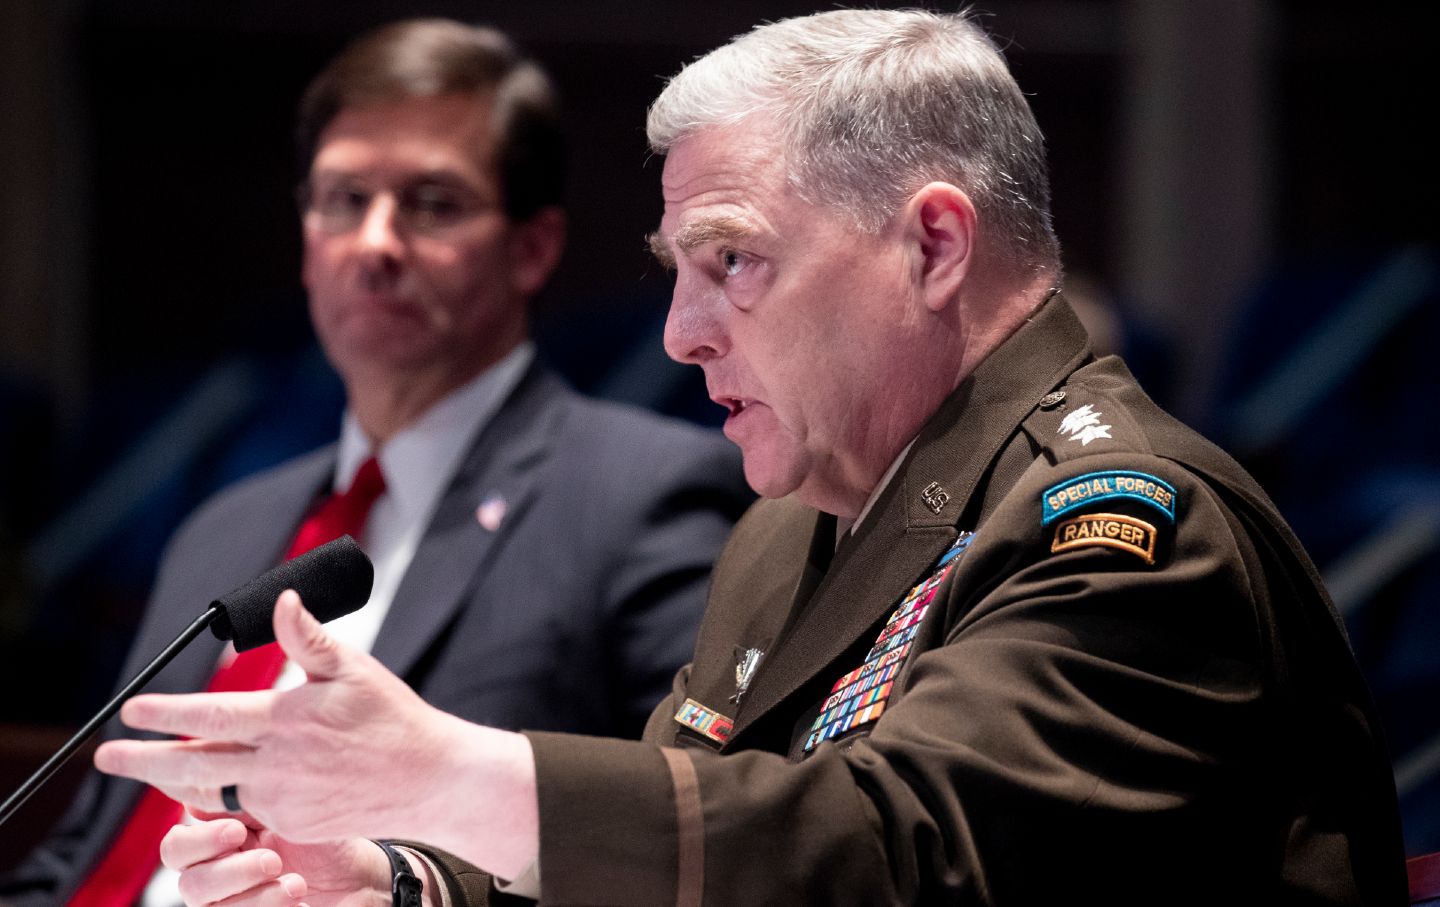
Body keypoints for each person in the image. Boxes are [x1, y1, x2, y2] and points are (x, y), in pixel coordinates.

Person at [92, 9, 1407, 905]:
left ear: (933, 245)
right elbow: (693, 860)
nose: (677, 332)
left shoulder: (1127, 525)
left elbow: (903, 854)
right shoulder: (798, 523)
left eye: (734, 262)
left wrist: (453, 772)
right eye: (678, 272)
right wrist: (396, 877)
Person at [1, 18, 749, 906]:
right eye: (343, 199)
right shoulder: (227, 524)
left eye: (431, 203)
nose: (375, 243)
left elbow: (680, 846)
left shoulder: (640, 491)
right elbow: (82, 858)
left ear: (532, 247)